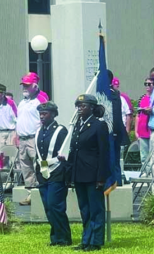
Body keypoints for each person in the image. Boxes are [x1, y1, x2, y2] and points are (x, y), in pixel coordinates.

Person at [61, 94, 109, 252]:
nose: (80, 109)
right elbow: (74, 151)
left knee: (96, 209)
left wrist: (101, 177)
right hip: (79, 174)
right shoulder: (78, 125)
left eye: (83, 106)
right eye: (78, 106)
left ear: (92, 108)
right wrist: (70, 174)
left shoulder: (99, 125)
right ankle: (85, 240)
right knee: (85, 210)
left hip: (93, 175)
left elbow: (104, 154)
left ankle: (95, 241)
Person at [35, 101, 71, 247]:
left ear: (54, 114)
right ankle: (55, 237)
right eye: (40, 114)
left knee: (55, 205)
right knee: (48, 207)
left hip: (57, 172)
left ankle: (64, 238)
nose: (42, 116)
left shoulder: (61, 130)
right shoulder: (39, 130)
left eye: (45, 113)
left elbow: (66, 153)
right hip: (43, 173)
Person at [16, 72, 48, 205]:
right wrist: (16, 135)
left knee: (41, 164)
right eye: (23, 85)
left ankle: (44, 190)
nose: (24, 87)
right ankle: (30, 194)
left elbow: (46, 118)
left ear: (35, 86)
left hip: (35, 138)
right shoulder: (22, 102)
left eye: (27, 85)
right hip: (23, 139)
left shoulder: (41, 99)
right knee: (26, 167)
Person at [135, 78, 154, 164]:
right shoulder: (142, 98)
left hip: (152, 131)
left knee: (153, 156)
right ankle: (145, 175)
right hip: (142, 132)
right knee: (143, 157)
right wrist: (136, 131)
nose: (147, 86)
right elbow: (138, 115)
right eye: (145, 84)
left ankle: (152, 175)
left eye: (149, 84)